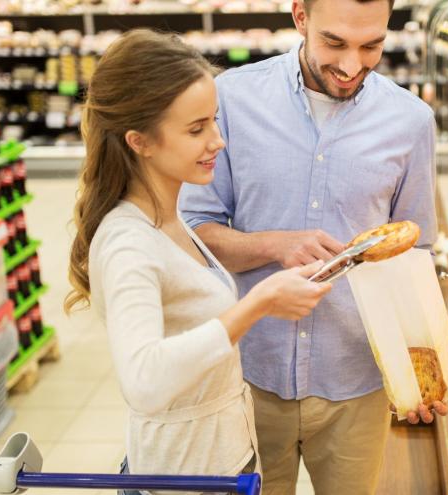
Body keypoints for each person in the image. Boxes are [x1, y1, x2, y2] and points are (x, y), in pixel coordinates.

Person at [178, 0, 445, 493]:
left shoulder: (411, 122)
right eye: (335, 43)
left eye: (372, 46)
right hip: (249, 375)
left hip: (355, 376)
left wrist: (423, 370)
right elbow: (195, 230)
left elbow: (415, 255)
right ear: (300, 16)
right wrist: (273, 245)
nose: (350, 67)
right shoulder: (231, 100)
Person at [64, 29, 331, 495]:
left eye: (214, 121)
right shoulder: (129, 243)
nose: (218, 141)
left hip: (219, 461)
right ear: (139, 141)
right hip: (180, 476)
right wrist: (259, 301)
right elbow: (144, 381)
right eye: (196, 129)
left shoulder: (168, 217)